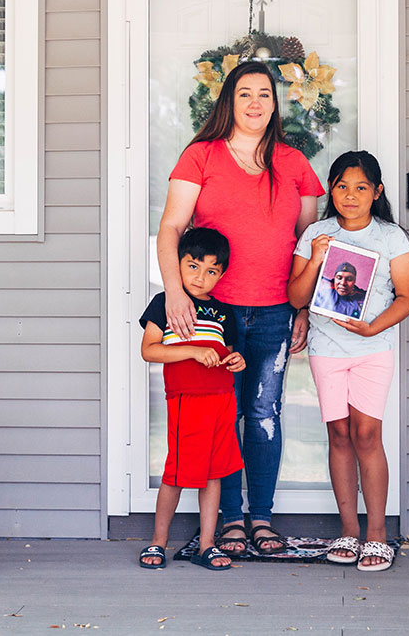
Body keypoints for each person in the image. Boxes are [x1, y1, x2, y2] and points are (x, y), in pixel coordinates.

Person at [156, 60, 324, 555]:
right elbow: (171, 228)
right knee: (221, 416)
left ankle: (262, 519)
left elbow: (308, 244)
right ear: (229, 101)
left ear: (275, 104)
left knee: (265, 413)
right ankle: (230, 520)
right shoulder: (201, 156)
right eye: (245, 93)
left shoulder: (294, 163)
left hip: (275, 310)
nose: (255, 102)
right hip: (216, 314)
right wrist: (175, 291)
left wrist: (304, 309)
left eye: (265, 94)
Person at [288, 151, 409, 571]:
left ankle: (376, 535)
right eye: (342, 186)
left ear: (377, 192)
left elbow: (408, 297)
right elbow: (296, 296)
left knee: (367, 435)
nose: (350, 195)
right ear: (331, 189)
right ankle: (348, 531)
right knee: (339, 434)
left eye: (361, 187)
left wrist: (373, 328)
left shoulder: (391, 237)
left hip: (372, 349)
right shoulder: (317, 233)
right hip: (326, 348)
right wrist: (316, 258)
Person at [138, 227, 246, 571]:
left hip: (222, 400)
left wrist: (236, 360)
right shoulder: (166, 303)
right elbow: (150, 350)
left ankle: (207, 544)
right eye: (194, 266)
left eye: (212, 271)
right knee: (176, 474)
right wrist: (193, 351)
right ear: (179, 264)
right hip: (188, 400)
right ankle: (158, 541)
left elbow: (228, 353)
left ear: (222, 275)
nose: (201, 277)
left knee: (214, 475)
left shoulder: (224, 312)